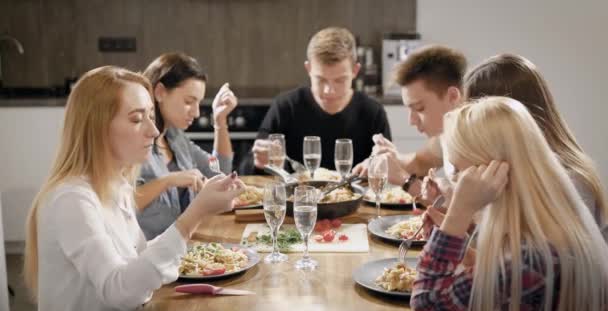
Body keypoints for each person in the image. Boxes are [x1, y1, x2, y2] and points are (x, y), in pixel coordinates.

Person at [23, 66, 244, 311]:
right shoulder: (71, 199)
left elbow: (132, 256)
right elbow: (120, 290)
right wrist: (193, 216)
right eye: (137, 119)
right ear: (97, 127)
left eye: (151, 116)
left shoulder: (115, 186)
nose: (153, 131)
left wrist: (189, 238)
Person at [411, 96, 608, 311]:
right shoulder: (557, 224)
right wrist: (460, 247)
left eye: (460, 171)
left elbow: (425, 300)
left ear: (493, 172)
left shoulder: (532, 258)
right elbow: (499, 275)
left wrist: (458, 214)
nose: (457, 181)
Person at [464, 53, 607, 230]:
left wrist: (466, 214)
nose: (471, 131)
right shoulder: (525, 172)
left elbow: (532, 255)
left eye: (476, 118)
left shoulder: (567, 182)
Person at [246, 27, 391, 174]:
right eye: (320, 80)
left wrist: (380, 165)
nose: (329, 90)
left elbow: (387, 172)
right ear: (308, 69)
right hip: (296, 196)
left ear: (355, 71)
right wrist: (259, 162)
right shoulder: (285, 107)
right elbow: (247, 173)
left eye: (340, 80)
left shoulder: (373, 112)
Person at [135, 52, 239, 239]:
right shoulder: (135, 143)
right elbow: (122, 203)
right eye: (188, 101)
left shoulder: (175, 138)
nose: (197, 112)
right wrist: (169, 180)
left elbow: (218, 169)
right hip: (149, 256)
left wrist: (219, 120)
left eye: (198, 102)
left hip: (185, 246)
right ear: (159, 92)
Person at [351, 45, 466, 192]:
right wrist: (391, 158)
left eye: (419, 108)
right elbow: (420, 163)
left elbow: (463, 209)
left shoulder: (479, 138)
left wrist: (403, 179)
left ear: (453, 96)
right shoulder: (448, 132)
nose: (411, 120)